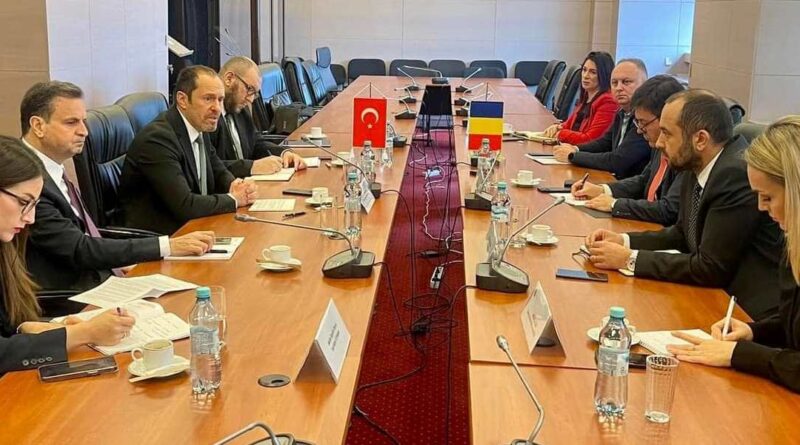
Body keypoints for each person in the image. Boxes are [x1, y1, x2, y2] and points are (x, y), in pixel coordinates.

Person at [585, 90, 784, 320]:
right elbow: (682, 233)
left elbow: (710, 267)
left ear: (700, 139)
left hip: (748, 312)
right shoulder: (697, 163)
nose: (659, 143)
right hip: (716, 297)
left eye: (667, 134)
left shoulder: (734, 174)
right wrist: (623, 240)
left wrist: (629, 259)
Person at [20, 81, 216, 292]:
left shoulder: (51, 169)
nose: (84, 132)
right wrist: (167, 246)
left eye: (83, 122)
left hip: (100, 274)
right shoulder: (25, 182)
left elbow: (83, 237)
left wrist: (121, 261)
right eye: (71, 122)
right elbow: (78, 249)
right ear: (38, 126)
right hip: (73, 293)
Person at [667, 116, 800, 393]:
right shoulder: (794, 242)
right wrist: (754, 331)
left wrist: (739, 354)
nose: (761, 208)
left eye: (768, 197)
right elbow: (794, 326)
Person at [0, 136, 134, 374]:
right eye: (24, 202)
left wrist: (30, 328)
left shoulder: (5, 245)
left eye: (34, 205)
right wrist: (82, 333)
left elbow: (6, 326)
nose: (31, 218)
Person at [119, 65, 258, 235]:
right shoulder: (157, 140)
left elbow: (218, 170)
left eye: (220, 100)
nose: (216, 108)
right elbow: (185, 205)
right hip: (166, 236)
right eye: (208, 99)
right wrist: (234, 199)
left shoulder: (198, 125)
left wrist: (235, 185)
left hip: (196, 227)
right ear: (182, 100)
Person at [570, 75, 686, 225]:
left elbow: (669, 210)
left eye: (643, 123)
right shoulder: (658, 144)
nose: (639, 130)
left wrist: (615, 204)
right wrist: (603, 190)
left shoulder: (685, 155)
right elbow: (644, 180)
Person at [552, 59, 650, 179]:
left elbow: (618, 160)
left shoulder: (644, 119)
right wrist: (575, 148)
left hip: (628, 184)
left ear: (645, 85)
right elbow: (604, 143)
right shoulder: (622, 112)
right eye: (614, 83)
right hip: (615, 180)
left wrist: (573, 155)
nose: (619, 88)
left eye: (626, 82)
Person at [210, 56, 306, 178]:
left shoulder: (240, 109)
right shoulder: (208, 116)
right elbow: (210, 166)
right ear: (229, 79)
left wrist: (283, 153)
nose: (250, 99)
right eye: (249, 89)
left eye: (254, 94)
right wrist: (251, 167)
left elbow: (255, 142)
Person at [541, 51, 618, 145]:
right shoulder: (587, 95)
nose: (585, 76)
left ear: (604, 75)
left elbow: (591, 140)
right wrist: (557, 127)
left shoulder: (608, 102)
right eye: (584, 70)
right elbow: (570, 124)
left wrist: (560, 134)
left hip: (585, 152)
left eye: (593, 72)